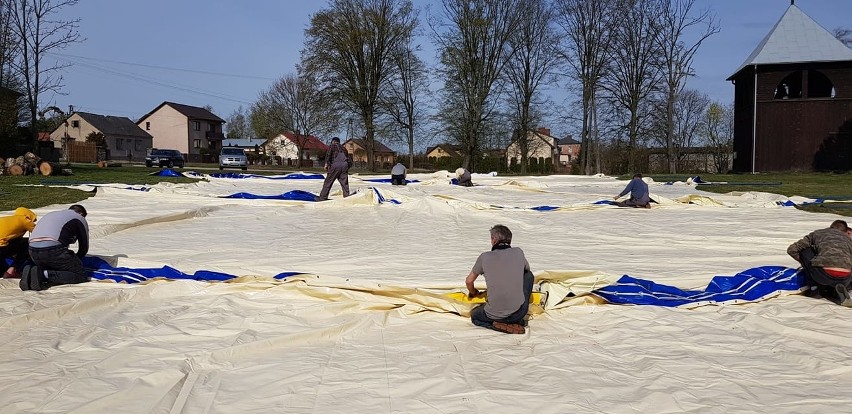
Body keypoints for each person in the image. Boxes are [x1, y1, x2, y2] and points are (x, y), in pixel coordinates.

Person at [466, 225, 534, 334]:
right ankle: (513, 322)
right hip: (519, 313)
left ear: (494, 240)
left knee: (475, 316)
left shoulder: (484, 257)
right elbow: (526, 271)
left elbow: (469, 281)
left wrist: (474, 292)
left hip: (493, 315)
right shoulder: (518, 252)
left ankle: (496, 324)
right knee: (529, 275)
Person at [20, 205, 90, 291]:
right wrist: (76, 261)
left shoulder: (52, 214)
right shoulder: (79, 218)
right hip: (53, 250)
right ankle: (43, 275)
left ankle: (32, 271)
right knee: (80, 275)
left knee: (54, 263)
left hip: (32, 250)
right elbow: (84, 247)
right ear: (81, 213)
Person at [787, 220, 852, 307]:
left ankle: (815, 288)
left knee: (806, 250)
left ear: (830, 227)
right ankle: (837, 289)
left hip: (822, 274)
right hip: (845, 278)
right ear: (845, 231)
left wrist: (806, 264)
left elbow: (792, 249)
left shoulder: (817, 233)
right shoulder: (848, 239)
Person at [0, 207, 37, 279]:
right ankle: (13, 269)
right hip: (2, 246)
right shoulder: (25, 220)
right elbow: (38, 232)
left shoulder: (9, 219)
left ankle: (6, 270)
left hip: (3, 245)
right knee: (28, 243)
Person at [317, 137, 352, 201]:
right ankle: (347, 197)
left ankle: (323, 197)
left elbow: (328, 155)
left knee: (328, 181)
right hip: (344, 165)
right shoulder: (344, 148)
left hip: (335, 165)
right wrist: (346, 167)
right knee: (344, 183)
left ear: (333, 141)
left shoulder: (332, 146)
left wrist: (326, 164)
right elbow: (349, 159)